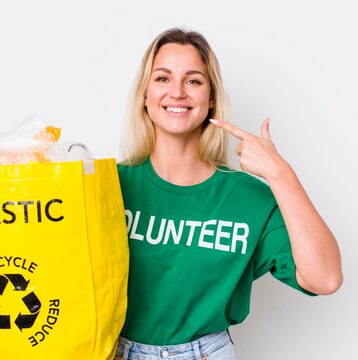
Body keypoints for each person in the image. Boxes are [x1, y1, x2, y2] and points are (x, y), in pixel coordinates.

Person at [114, 28, 343, 359]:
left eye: (193, 81)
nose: (177, 92)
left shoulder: (248, 198)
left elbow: (326, 278)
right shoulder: (110, 185)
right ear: (144, 95)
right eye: (163, 78)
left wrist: (280, 173)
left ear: (210, 99)